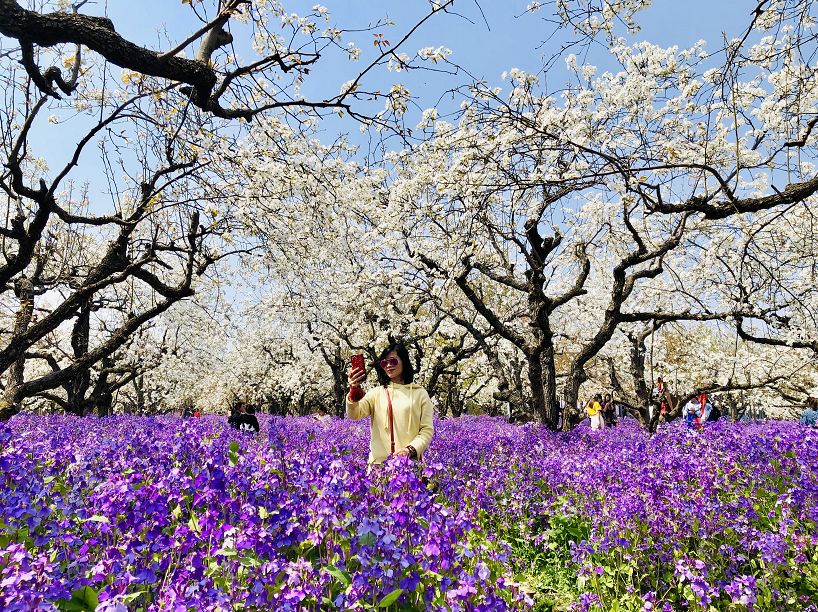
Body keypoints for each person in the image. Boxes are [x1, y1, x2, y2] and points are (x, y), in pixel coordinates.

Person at [346, 342, 434, 465]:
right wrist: (353, 391)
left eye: (393, 361)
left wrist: (410, 449)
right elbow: (354, 414)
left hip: (409, 465)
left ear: (404, 361)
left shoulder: (420, 394)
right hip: (379, 468)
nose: (388, 366)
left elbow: (426, 430)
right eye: (384, 363)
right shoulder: (376, 393)